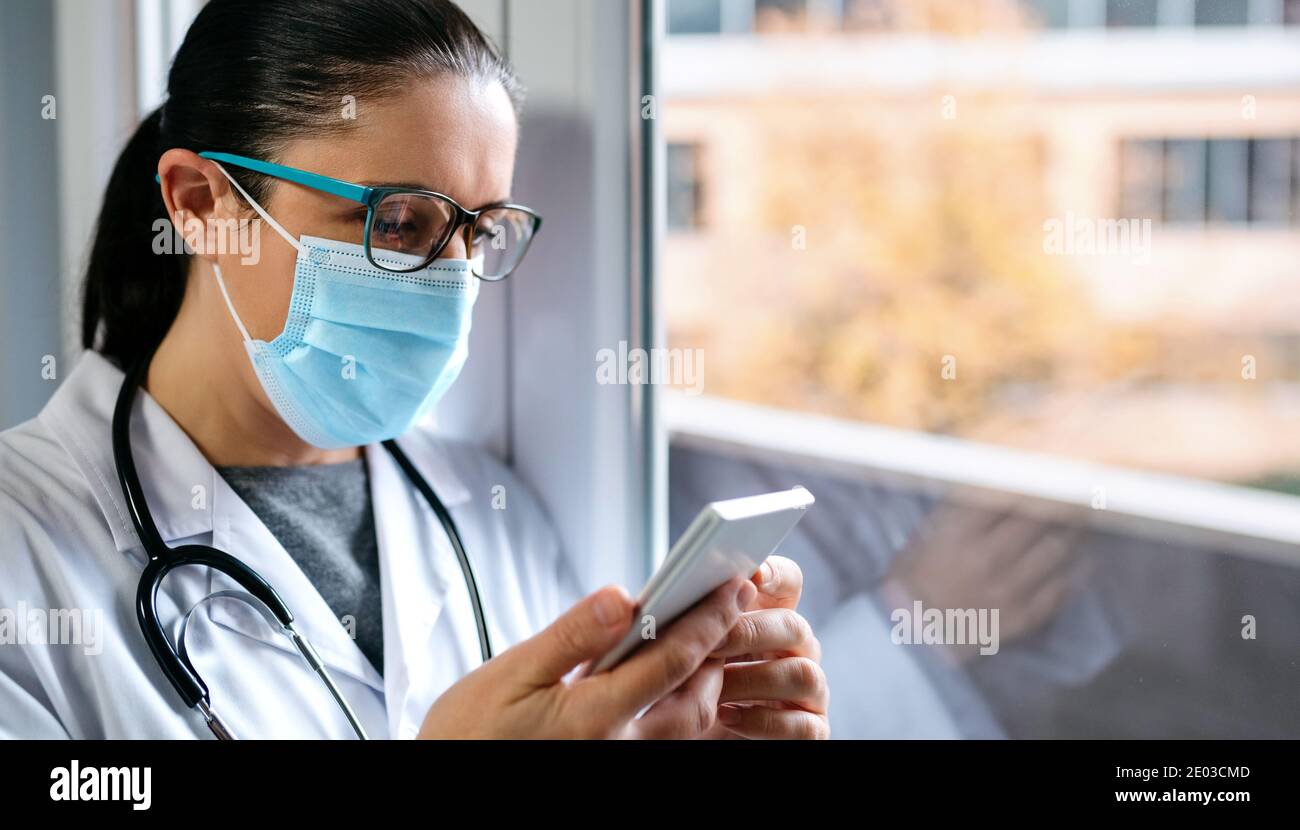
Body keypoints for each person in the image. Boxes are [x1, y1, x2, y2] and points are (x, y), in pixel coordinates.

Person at [0, 0, 828, 739]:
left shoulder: (491, 516)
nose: (449, 280)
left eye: (478, 231)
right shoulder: (22, 555)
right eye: (396, 221)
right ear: (202, 205)